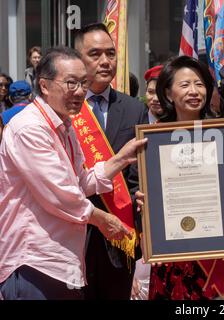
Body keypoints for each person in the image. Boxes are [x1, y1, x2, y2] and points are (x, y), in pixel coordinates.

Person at [0, 47, 146, 300]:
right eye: (71, 83)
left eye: (83, 83)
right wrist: (103, 219)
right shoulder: (30, 128)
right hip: (34, 263)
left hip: (63, 264)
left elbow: (81, 182)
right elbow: (60, 194)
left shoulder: (64, 126)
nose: (80, 92)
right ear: (44, 86)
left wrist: (122, 158)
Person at [137, 55, 224, 300]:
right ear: (168, 94)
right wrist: (145, 200)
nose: (194, 91)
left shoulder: (222, 134)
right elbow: (151, 191)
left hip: (213, 251)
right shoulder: (154, 138)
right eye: (185, 85)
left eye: (199, 84)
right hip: (171, 249)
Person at [74, 22, 148, 300]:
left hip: (120, 230)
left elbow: (137, 172)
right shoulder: (67, 107)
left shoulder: (134, 108)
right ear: (78, 59)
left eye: (111, 53)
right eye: (95, 54)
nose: (105, 61)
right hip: (76, 229)